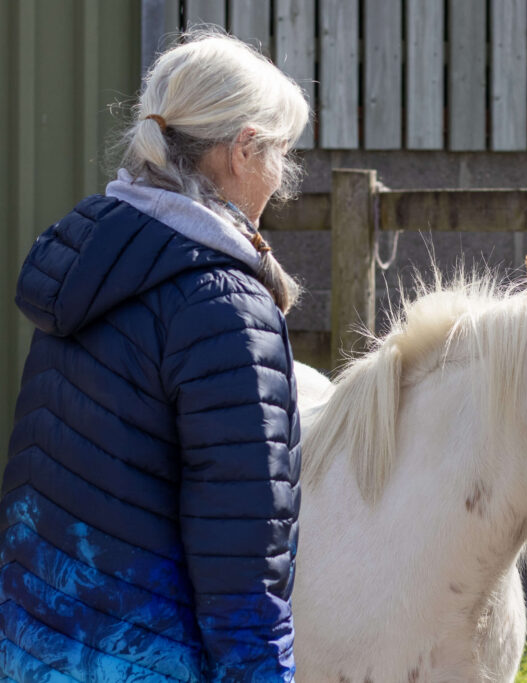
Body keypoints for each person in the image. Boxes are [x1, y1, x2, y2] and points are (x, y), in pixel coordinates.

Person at [0, 31, 309, 681]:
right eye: (280, 153)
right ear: (242, 151)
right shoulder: (225, 308)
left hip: (33, 648)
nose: (281, 181)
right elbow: (242, 553)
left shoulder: (88, 266)